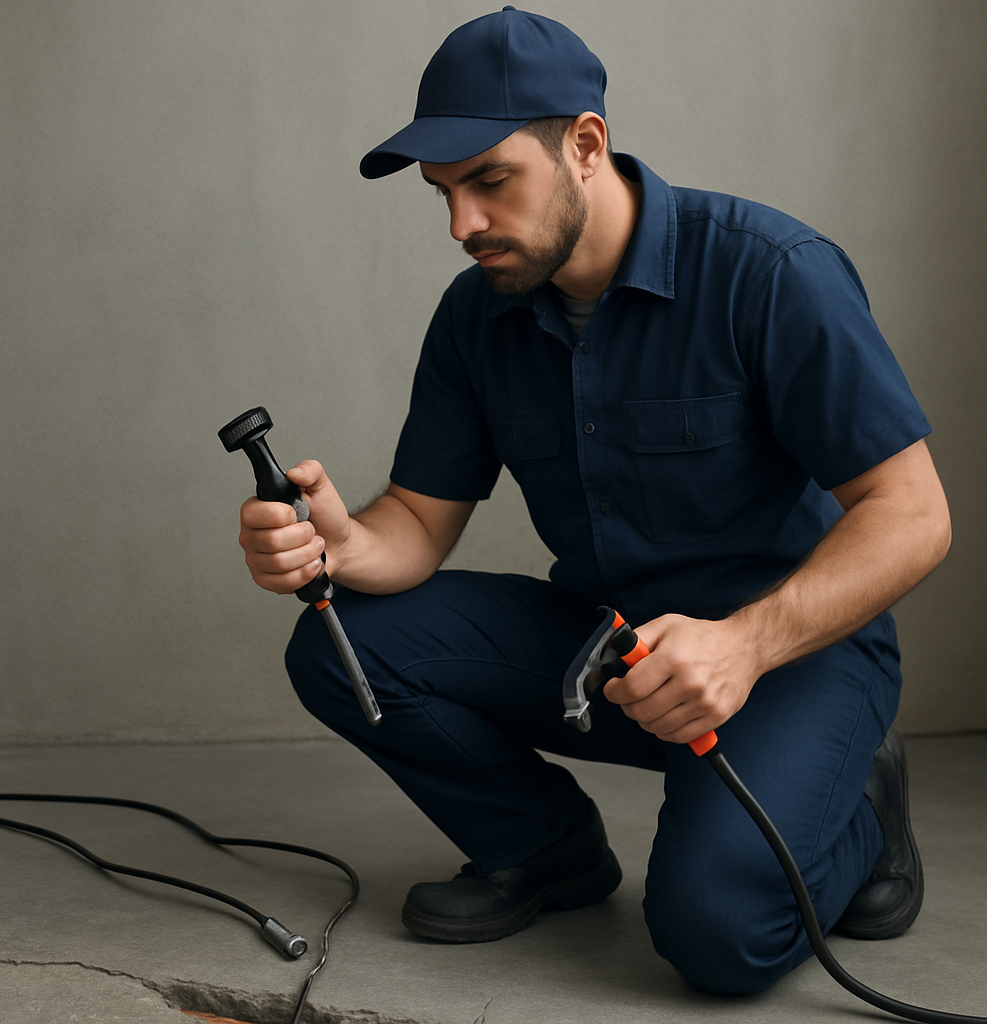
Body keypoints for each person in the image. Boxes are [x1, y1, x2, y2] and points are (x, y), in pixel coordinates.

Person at [237, 7, 951, 996]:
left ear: (584, 144)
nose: (461, 225)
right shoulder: (475, 316)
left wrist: (741, 644)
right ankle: (543, 845)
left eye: (489, 181)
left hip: (792, 655)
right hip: (607, 648)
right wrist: (338, 541)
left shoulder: (769, 273)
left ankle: (860, 808)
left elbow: (913, 512)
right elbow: (416, 524)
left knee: (716, 934)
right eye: (441, 193)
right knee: (335, 639)